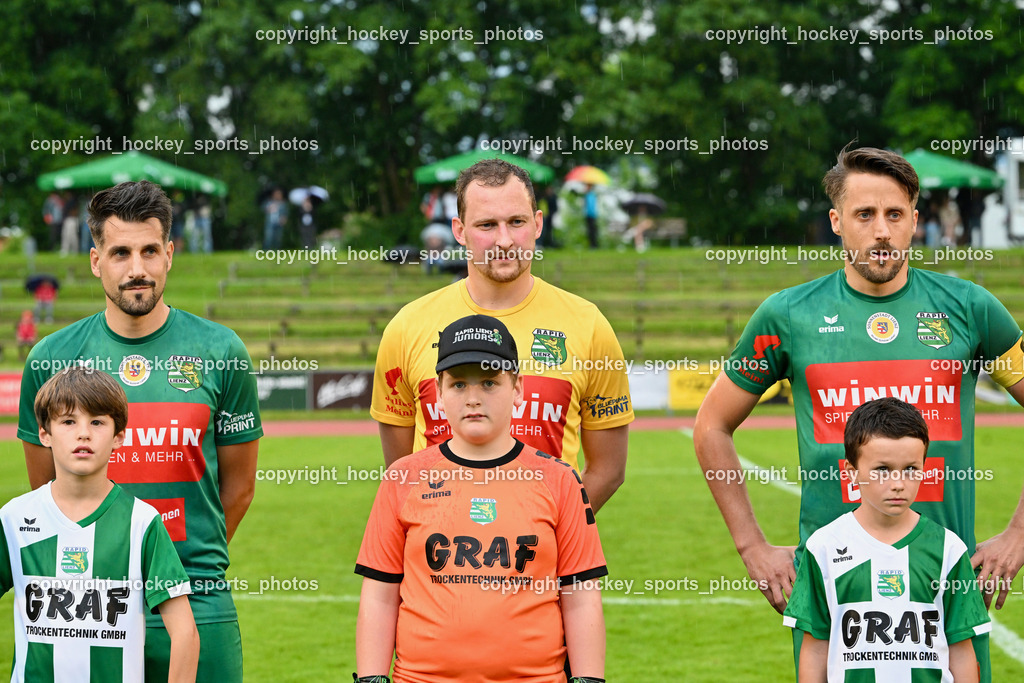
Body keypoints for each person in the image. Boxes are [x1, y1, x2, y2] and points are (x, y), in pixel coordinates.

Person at [693, 145, 1024, 682]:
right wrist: (751, 546)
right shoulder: (788, 315)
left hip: (944, 583)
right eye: (864, 215)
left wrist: (1018, 534)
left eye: (895, 214)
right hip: (833, 590)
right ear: (836, 222)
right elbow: (711, 425)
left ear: (916, 220)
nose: (882, 231)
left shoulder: (971, 308)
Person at [17, 180, 263, 683]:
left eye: (150, 251)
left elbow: (239, 488)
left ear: (170, 254)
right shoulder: (51, 360)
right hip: (92, 604)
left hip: (198, 598)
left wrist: (173, 565)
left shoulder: (221, 351)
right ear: (95, 260)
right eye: (120, 252)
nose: (137, 269)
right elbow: (44, 492)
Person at [370, 158, 633, 513]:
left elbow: (608, 469)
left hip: (546, 562)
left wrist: (551, 530)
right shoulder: (406, 327)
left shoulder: (588, 325)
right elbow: (401, 472)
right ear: (459, 231)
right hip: (437, 563)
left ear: (538, 224)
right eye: (487, 225)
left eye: (517, 222)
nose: (505, 240)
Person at [355, 315, 606, 683]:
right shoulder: (403, 477)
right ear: (438, 392)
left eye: (490, 382)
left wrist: (589, 679)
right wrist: (370, 678)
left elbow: (581, 594)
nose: (473, 398)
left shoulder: (561, 479)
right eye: (458, 384)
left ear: (518, 387)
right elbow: (380, 592)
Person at [3, 366, 199, 682]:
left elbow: (185, 632)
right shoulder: (13, 518)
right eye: (68, 421)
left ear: (118, 436)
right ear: (45, 434)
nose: (83, 433)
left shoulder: (142, 523)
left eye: (97, 422)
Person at [784, 397, 989, 682]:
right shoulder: (823, 547)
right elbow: (816, 647)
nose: (897, 483)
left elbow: (961, 649)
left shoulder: (949, 548)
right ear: (851, 473)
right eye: (882, 470)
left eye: (910, 469)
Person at [583, 184, 599, 249]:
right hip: (588, 215)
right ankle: (591, 244)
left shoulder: (592, 195)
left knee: (593, 230)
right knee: (589, 230)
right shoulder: (586, 195)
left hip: (592, 215)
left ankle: (594, 244)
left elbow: (592, 206)